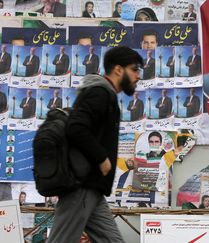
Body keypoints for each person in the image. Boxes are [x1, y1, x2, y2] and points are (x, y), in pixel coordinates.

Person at [47, 46, 142, 242]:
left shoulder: (105, 95)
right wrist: (101, 158)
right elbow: (76, 127)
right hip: (81, 187)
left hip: (93, 189)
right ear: (118, 69)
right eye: (134, 69)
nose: (138, 76)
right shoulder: (99, 93)